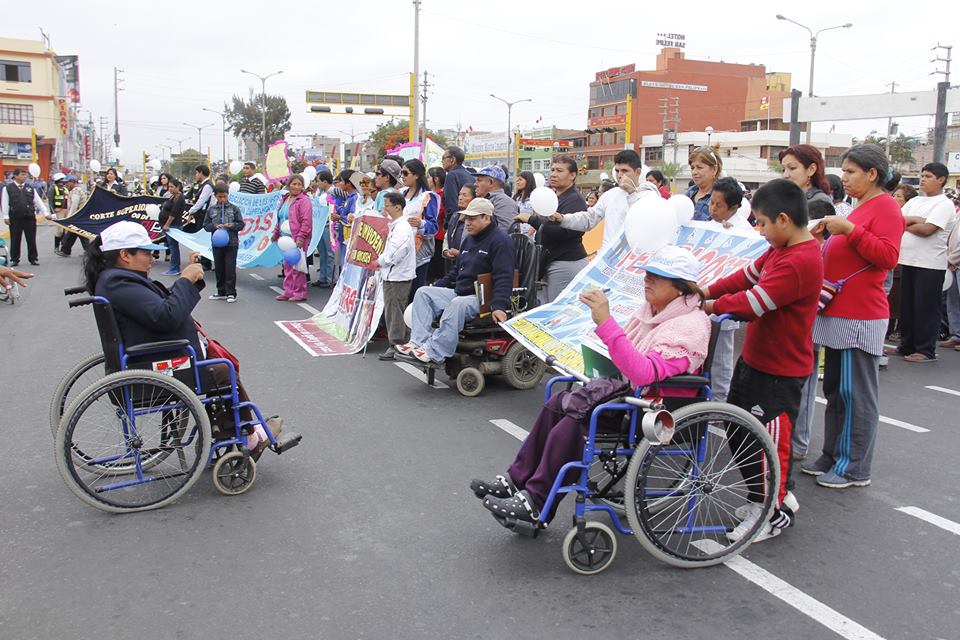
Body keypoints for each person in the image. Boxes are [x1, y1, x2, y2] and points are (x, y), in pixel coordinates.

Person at [473, 246, 711, 524]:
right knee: (556, 404)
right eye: (647, 274)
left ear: (682, 288)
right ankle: (516, 480)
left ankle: (536, 502)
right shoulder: (650, 312)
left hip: (654, 411)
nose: (647, 280)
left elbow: (646, 373)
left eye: (657, 277)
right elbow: (627, 360)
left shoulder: (690, 326)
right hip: (628, 396)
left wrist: (606, 323)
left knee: (574, 425)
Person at [83, 220, 281, 449]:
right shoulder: (118, 282)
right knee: (222, 370)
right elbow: (166, 315)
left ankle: (232, 430)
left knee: (219, 362)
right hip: (153, 364)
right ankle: (247, 436)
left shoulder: (117, 279)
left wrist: (190, 281)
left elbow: (161, 305)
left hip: (152, 354)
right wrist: (185, 280)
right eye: (147, 253)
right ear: (125, 254)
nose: (152, 258)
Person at [703, 178, 822, 541]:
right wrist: (705, 289)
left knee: (769, 446)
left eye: (763, 223)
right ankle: (765, 497)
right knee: (739, 435)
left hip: (779, 372)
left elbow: (754, 303)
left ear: (784, 220)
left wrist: (708, 305)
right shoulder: (778, 250)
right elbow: (745, 277)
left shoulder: (801, 260)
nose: (760, 230)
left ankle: (771, 510)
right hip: (754, 360)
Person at [801, 144, 904, 489]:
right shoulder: (859, 207)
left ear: (872, 174)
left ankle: (853, 466)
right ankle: (832, 454)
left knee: (855, 393)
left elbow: (888, 256)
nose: (843, 178)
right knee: (836, 390)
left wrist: (850, 231)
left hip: (860, 314)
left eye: (850, 172)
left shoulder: (886, 208)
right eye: (843, 171)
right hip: (839, 311)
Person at [397, 198, 514, 366]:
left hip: (482, 299)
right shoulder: (469, 239)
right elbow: (455, 273)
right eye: (466, 218)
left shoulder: (501, 241)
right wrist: (436, 287)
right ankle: (418, 343)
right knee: (423, 292)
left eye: (472, 218)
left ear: (487, 217)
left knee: (458, 304)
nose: (467, 222)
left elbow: (504, 276)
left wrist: (499, 306)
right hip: (462, 291)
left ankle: (434, 352)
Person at [892, 162, 956, 363]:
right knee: (907, 306)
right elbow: (896, 221)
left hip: (930, 264)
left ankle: (925, 349)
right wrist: (914, 221)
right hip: (907, 260)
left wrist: (908, 224)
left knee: (925, 307)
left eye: (928, 176)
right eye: (922, 175)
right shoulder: (915, 201)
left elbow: (928, 230)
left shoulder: (943, 203)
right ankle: (907, 345)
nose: (923, 179)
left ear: (941, 180)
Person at [703, 177, 758, 404]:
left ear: (734, 208)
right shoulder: (709, 225)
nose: (713, 209)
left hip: (724, 306)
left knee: (721, 361)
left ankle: (719, 404)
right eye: (711, 203)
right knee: (706, 358)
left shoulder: (743, 232)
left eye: (719, 205)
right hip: (706, 301)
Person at [555, 149, 659, 252]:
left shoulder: (650, 196)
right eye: (617, 170)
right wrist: (563, 218)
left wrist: (632, 193)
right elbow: (589, 219)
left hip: (633, 258)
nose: (620, 175)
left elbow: (645, 223)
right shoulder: (611, 194)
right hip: (608, 258)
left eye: (625, 171)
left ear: (638, 172)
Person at [517, 156, 589, 302]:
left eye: (559, 171)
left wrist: (532, 220)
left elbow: (567, 232)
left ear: (573, 175)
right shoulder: (555, 196)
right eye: (552, 170)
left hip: (566, 262)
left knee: (557, 309)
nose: (553, 174)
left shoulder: (575, 199)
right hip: (549, 260)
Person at [372, 192, 416, 361]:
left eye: (387, 205)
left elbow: (396, 251)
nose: (385, 208)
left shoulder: (402, 228)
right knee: (395, 309)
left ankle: (396, 344)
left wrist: (381, 261)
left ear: (398, 207)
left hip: (398, 275)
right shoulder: (397, 225)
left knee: (395, 311)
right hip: (394, 274)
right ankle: (402, 342)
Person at [401, 159, 439, 301]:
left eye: (405, 173)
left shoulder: (428, 197)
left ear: (416, 175)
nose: (402, 176)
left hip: (418, 254)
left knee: (414, 292)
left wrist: (421, 223)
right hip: (399, 251)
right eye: (401, 173)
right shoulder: (400, 193)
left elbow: (433, 227)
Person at [273, 174, 312, 302]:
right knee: (287, 265)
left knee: (298, 266)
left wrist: (301, 237)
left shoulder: (304, 200)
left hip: (297, 237)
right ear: (289, 185)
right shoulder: (285, 198)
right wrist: (276, 233)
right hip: (285, 239)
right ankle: (288, 291)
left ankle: (300, 292)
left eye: (299, 184)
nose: (296, 187)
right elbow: (281, 217)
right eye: (294, 184)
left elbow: (306, 221)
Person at [203, 184, 245, 303]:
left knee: (230, 268)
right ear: (215, 196)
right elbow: (205, 225)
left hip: (231, 243)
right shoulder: (211, 209)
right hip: (217, 243)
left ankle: (231, 292)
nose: (222, 199)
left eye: (224, 196)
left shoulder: (234, 208)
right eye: (220, 197)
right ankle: (220, 291)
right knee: (219, 267)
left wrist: (231, 226)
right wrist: (215, 226)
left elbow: (241, 224)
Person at [2, 167, 49, 266]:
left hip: (29, 217)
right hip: (15, 218)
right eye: (22, 175)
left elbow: (38, 201)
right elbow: (5, 202)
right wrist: (6, 216)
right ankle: (15, 259)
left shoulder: (30, 188)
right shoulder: (8, 188)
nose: (24, 177)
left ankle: (33, 258)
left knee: (31, 239)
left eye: (25, 175)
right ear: (15, 176)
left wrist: (45, 213)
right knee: (15, 239)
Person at [311, 170, 336, 288]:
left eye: (319, 181)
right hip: (320, 226)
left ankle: (330, 279)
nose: (317, 183)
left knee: (330, 253)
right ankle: (322, 277)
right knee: (322, 253)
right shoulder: (320, 193)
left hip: (328, 226)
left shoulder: (333, 192)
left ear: (325, 182)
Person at [474, 165, 518, 230]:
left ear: (491, 182)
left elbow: (505, 232)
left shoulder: (504, 202)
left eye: (479, 180)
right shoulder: (483, 199)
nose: (475, 184)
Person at [442, 184, 475, 268]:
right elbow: (448, 235)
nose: (460, 198)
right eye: (459, 194)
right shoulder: (455, 215)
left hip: (467, 264)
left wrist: (459, 254)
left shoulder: (475, 219)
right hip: (451, 263)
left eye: (464, 195)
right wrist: (445, 251)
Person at [685, 146, 722, 221]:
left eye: (699, 167)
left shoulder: (722, 197)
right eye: (692, 168)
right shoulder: (688, 194)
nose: (694, 172)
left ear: (714, 169)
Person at [159, 178, 186, 275]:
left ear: (177, 187)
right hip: (171, 226)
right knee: (172, 246)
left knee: (173, 247)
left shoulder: (179, 198)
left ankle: (174, 268)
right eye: (169, 187)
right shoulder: (173, 197)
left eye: (172, 187)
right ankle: (174, 267)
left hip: (174, 226)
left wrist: (167, 224)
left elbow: (173, 213)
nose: (169, 189)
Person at [440, 146, 475, 219]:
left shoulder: (452, 175)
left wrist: (449, 224)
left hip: (457, 221)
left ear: (452, 160)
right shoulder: (469, 174)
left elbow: (451, 204)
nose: (442, 161)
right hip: (471, 218)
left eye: (443, 158)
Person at [427, 166, 447, 280]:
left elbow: (439, 213)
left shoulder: (441, 195)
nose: (427, 179)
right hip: (430, 235)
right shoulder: (429, 194)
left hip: (438, 236)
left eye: (429, 177)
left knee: (437, 268)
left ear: (436, 179)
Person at [184, 165, 214, 231]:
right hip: (199, 215)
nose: (196, 175)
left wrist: (191, 211)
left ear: (201, 173)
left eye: (197, 173)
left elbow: (201, 201)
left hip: (203, 216)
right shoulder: (201, 184)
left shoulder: (207, 186)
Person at [49, 173, 68, 254]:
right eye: (61, 180)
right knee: (59, 231)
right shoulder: (53, 188)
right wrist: (52, 212)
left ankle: (63, 246)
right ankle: (56, 247)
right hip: (58, 211)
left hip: (66, 210)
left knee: (66, 230)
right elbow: (50, 201)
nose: (63, 182)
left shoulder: (65, 189)